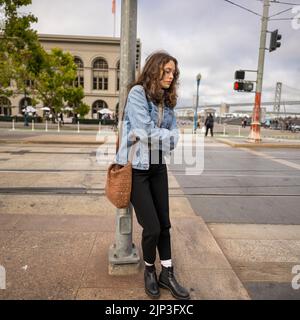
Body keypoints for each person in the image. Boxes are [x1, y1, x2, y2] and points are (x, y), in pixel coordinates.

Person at [115, 51, 190, 300]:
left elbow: (173, 135)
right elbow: (144, 131)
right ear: (154, 70)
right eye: (166, 71)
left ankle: (167, 273)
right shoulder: (137, 93)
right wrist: (165, 136)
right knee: (153, 227)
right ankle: (150, 269)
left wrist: (164, 137)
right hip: (137, 168)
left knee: (165, 224)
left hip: (158, 166)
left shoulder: (167, 100)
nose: (170, 76)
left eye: (173, 73)